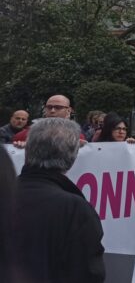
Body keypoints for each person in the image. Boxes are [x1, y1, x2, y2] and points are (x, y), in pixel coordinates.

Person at [8, 118, 105, 282]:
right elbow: (87, 273)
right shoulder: (74, 209)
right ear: (72, 157)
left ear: (29, 150)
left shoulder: (7, 195)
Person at [13, 95, 84, 144]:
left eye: (58, 107)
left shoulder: (77, 137)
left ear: (68, 111)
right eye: (49, 107)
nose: (52, 111)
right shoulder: (26, 135)